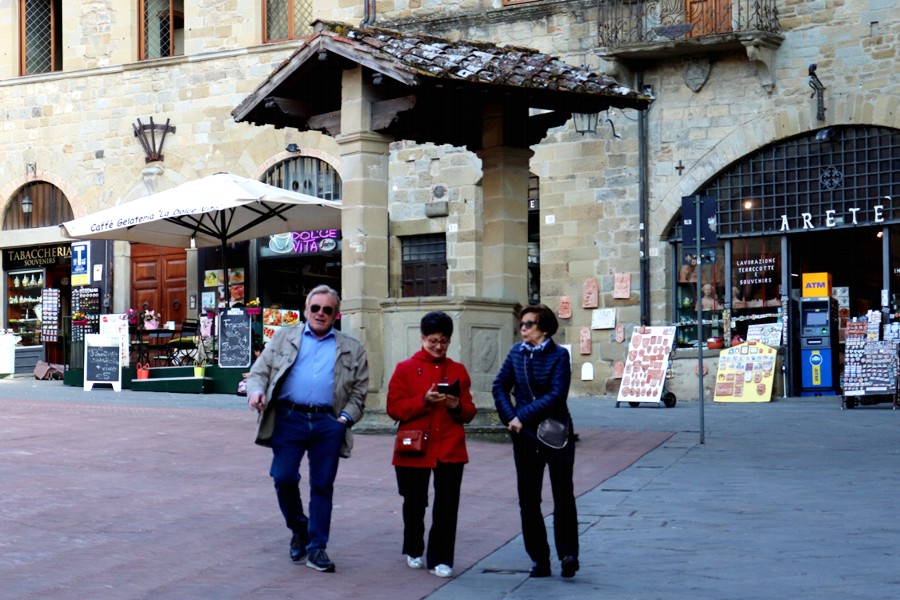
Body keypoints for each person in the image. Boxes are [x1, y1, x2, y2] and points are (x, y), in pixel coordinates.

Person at [246, 285, 368, 574]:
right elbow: (259, 371)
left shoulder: (352, 347)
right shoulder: (284, 337)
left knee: (322, 486)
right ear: (305, 310)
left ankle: (317, 548)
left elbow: (360, 391)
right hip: (289, 418)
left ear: (336, 315)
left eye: (327, 310)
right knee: (283, 477)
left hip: (328, 423)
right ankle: (300, 529)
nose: (320, 313)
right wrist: (256, 391)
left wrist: (344, 420)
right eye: (315, 308)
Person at [386, 311, 477, 579]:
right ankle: (414, 548)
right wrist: (422, 401)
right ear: (423, 338)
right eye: (433, 341)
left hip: (449, 445)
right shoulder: (405, 368)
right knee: (415, 502)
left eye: (444, 341)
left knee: (447, 505)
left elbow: (470, 412)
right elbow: (393, 409)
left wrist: (457, 406)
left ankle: (441, 558)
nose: (438, 346)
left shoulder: (458, 370)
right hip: (414, 447)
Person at [492, 303, 579, 579]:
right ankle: (540, 559)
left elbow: (556, 395)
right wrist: (510, 417)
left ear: (544, 329)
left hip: (556, 434)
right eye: (521, 324)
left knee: (563, 496)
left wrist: (522, 415)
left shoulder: (559, 356)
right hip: (525, 437)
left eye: (529, 324)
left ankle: (568, 554)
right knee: (529, 501)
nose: (523, 329)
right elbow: (499, 386)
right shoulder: (516, 353)